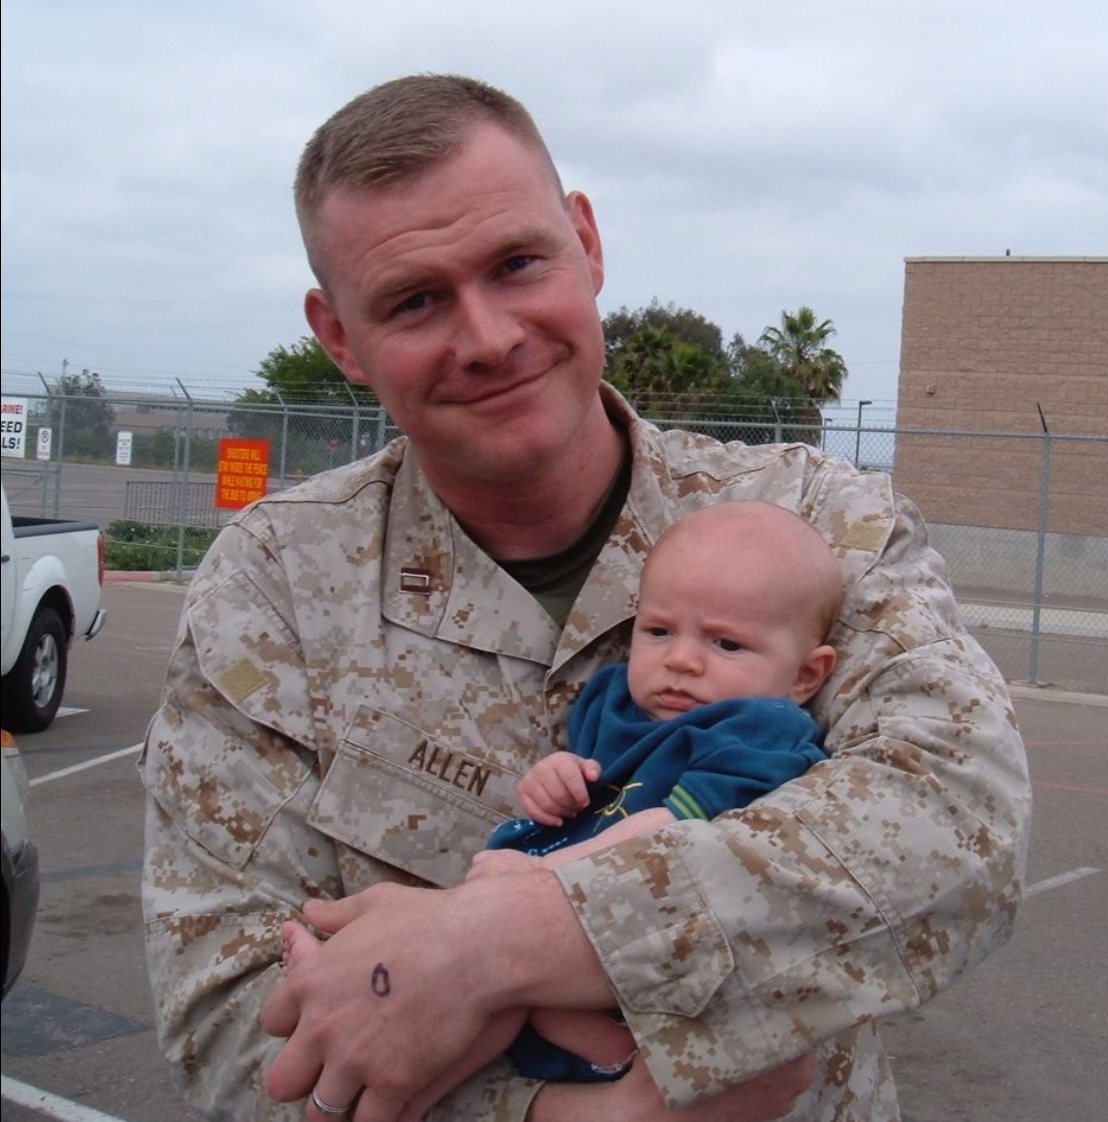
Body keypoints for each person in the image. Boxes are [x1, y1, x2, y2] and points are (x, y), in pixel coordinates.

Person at [140, 74, 1030, 1122]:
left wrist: (497, 943)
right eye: (414, 300)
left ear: (587, 244)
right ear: (339, 335)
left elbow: (962, 822)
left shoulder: (817, 524)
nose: (487, 336)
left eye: (517, 264)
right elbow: (230, 1014)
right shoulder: (276, 587)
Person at [281, 500, 842, 1113]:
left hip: (639, 933)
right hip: (542, 901)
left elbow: (668, 827)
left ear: (805, 677)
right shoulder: (616, 700)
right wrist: (556, 775)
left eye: (726, 643)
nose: (680, 659)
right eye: (657, 631)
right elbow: (596, 783)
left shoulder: (757, 729)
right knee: (462, 1007)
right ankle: (396, 1091)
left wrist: (542, 883)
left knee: (499, 992)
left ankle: (608, 1057)